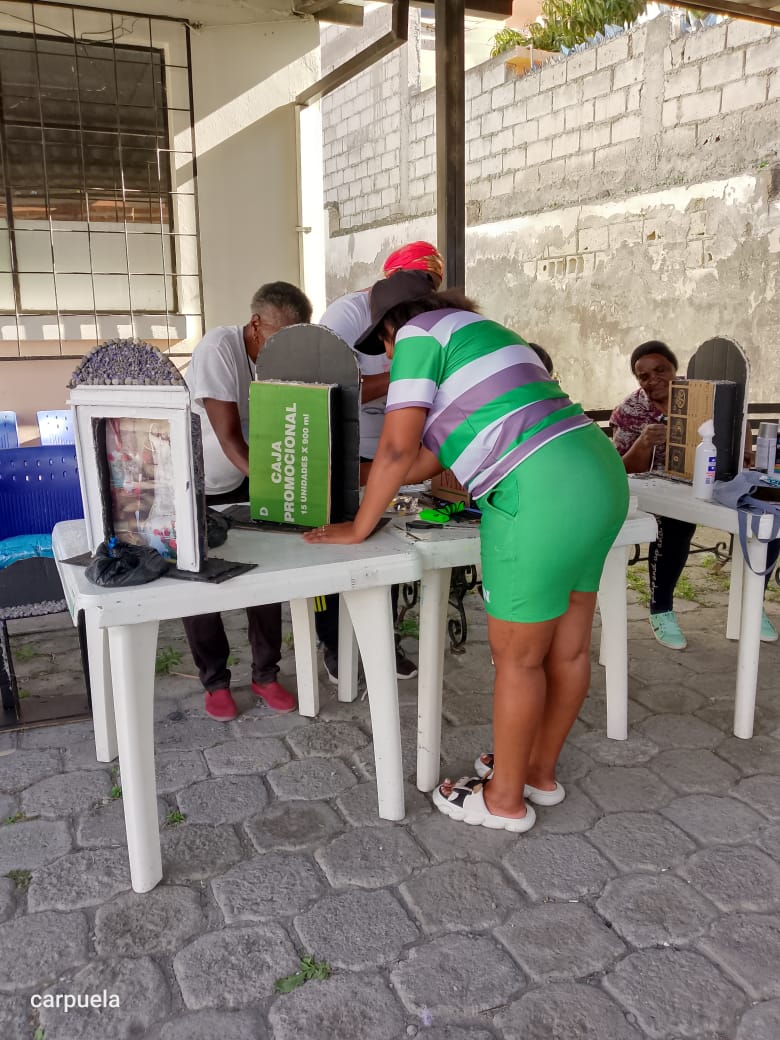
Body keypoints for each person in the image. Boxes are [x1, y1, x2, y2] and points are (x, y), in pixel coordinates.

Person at [305, 271, 629, 833]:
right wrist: (352, 476)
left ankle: (503, 800)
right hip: (598, 474)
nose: (388, 356)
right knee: (569, 649)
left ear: (391, 327)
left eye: (382, 345)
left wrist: (358, 527)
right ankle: (536, 773)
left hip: (536, 492)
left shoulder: (417, 335)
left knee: (519, 659)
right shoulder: (483, 334)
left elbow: (397, 449)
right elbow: (424, 460)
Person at [314, 241, 445, 684]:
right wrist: (403, 373)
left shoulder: (428, 326)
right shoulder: (347, 315)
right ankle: (334, 643)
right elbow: (331, 388)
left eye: (431, 286)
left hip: (391, 442)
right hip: (344, 446)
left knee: (383, 544)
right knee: (338, 546)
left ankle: (382, 640)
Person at [183, 281, 313, 720]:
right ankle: (215, 682)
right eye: (279, 338)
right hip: (197, 484)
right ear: (256, 324)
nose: (285, 349)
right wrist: (282, 485)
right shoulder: (218, 348)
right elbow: (230, 439)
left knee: (265, 574)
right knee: (201, 584)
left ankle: (265, 674)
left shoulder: (277, 358)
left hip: (246, 478)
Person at [610, 340, 779, 648]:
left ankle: (752, 607)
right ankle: (661, 609)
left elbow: (739, 421)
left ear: (675, 368)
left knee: (769, 517)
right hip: (657, 489)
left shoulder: (702, 395)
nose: (653, 379)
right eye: (644, 376)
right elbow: (620, 469)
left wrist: (743, 449)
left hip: (714, 481)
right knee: (676, 524)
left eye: (661, 370)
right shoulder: (631, 410)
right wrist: (644, 443)